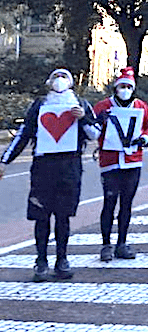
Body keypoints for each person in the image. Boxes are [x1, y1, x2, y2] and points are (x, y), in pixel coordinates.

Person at [0, 69, 100, 281]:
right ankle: (41, 260)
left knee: (63, 216)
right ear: (49, 82)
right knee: (41, 215)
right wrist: (4, 161)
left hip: (69, 166)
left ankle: (62, 259)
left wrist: (83, 119)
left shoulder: (80, 104)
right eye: (55, 77)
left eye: (63, 77)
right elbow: (24, 134)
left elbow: (95, 134)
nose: (59, 81)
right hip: (43, 167)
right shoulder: (39, 105)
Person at [92, 67, 148, 261]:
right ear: (115, 88)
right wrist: (98, 122)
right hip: (110, 162)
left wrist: (146, 138)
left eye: (128, 86)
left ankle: (122, 243)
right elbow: (91, 128)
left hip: (132, 161)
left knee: (127, 203)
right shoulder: (103, 106)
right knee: (109, 202)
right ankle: (106, 244)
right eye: (121, 86)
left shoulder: (140, 106)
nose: (125, 89)